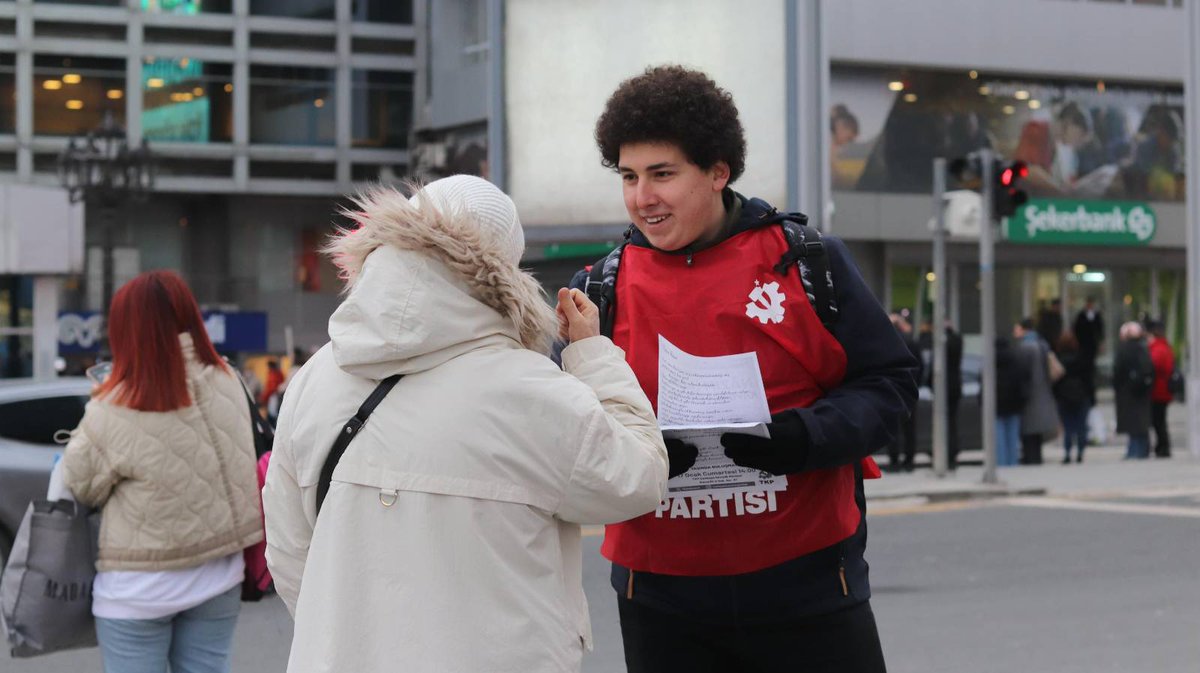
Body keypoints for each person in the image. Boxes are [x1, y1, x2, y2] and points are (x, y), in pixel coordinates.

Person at [563, 65, 918, 673]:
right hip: (661, 599)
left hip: (807, 587)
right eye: (629, 176)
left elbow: (890, 387)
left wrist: (804, 438)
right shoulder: (600, 288)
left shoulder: (808, 263)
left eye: (663, 174)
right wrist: (636, 453)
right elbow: (562, 429)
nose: (642, 197)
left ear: (719, 171)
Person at [261, 175, 669, 673]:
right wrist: (591, 350)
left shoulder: (315, 377)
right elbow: (638, 476)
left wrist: (346, 634)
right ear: (505, 269)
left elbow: (288, 550)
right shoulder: (528, 388)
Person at [61, 270, 263, 673]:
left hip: (137, 590)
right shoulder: (229, 379)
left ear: (125, 330)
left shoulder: (116, 401)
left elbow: (79, 485)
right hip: (218, 575)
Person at [1013, 318, 1057, 465]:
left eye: (1017, 328)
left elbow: (1023, 373)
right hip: (1043, 391)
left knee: (1029, 430)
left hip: (1031, 394)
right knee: (1036, 431)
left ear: (1024, 329)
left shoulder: (1026, 347)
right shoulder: (1042, 344)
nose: (1015, 331)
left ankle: (1031, 459)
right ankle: (1036, 457)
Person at [887, 312, 922, 472]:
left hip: (892, 388)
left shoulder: (886, 341)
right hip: (909, 387)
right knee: (910, 427)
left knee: (893, 426)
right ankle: (909, 460)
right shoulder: (911, 342)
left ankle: (894, 460)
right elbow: (920, 365)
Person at [1114, 321, 1154, 459]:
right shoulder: (1143, 347)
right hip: (1141, 392)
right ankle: (1141, 450)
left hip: (1128, 392)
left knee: (1133, 424)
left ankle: (1134, 451)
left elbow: (1117, 372)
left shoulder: (1124, 349)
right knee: (1141, 423)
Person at [1052, 332, 1092, 463]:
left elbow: (1055, 380)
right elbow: (1089, 379)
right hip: (1081, 395)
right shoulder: (1082, 358)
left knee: (1068, 426)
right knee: (1081, 426)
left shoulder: (1058, 359)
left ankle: (1067, 453)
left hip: (1064, 397)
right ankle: (1080, 452)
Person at [994, 336, 1028, 467]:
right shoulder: (1015, 361)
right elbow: (1021, 383)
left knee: (999, 438)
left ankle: (1001, 463)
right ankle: (1013, 462)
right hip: (1014, 404)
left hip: (996, 404)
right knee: (1012, 437)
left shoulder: (990, 362)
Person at [1146, 319, 1174, 458]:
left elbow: (1153, 366)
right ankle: (1162, 446)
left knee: (1158, 421)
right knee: (1160, 420)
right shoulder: (1166, 347)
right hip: (1164, 390)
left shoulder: (1157, 348)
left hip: (1158, 391)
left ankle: (1163, 447)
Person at [1073, 297, 1104, 403]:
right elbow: (1077, 329)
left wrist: (1100, 342)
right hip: (1083, 346)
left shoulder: (1096, 315)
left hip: (1092, 346)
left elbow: (1100, 330)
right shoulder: (1081, 316)